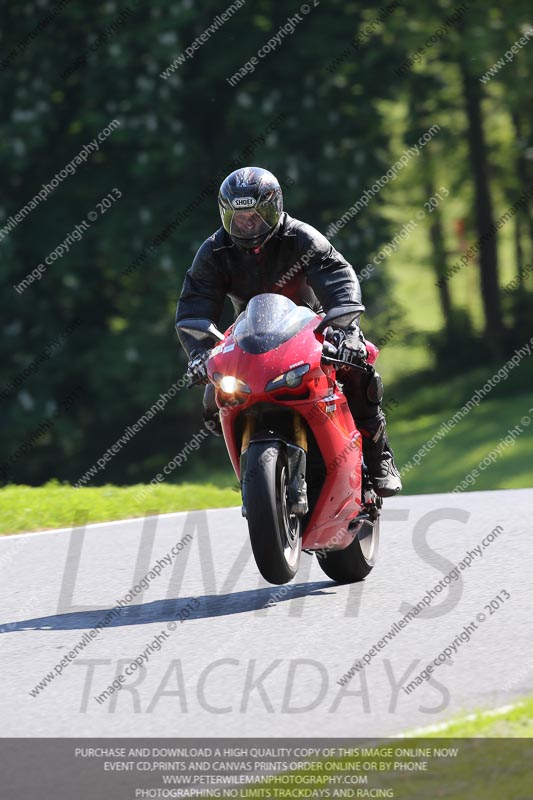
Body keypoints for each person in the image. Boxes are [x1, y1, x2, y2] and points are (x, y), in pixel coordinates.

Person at [175, 166, 402, 497]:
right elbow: (195, 304)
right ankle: (257, 469)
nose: (247, 224)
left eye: (256, 214)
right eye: (238, 216)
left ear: (275, 208)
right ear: (225, 215)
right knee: (213, 398)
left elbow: (337, 277)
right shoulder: (215, 250)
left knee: (360, 368)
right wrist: (199, 354)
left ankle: (379, 455)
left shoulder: (301, 237)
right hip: (249, 335)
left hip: (311, 325)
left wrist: (346, 330)